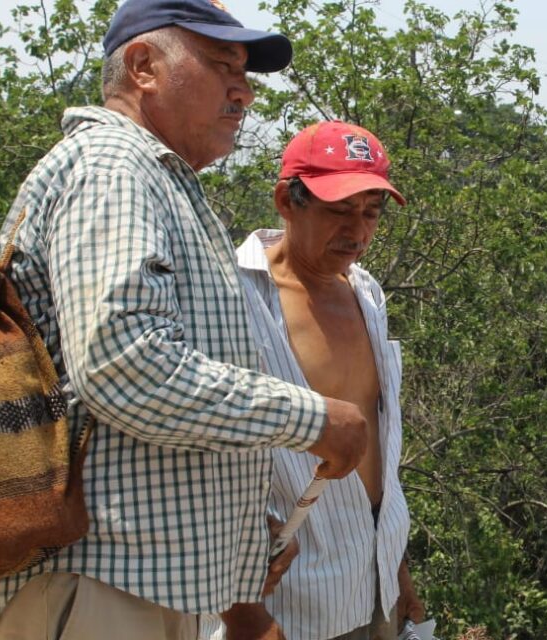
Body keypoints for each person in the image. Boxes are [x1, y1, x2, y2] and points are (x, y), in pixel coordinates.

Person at [0, 1, 370, 638]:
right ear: (143, 65)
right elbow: (128, 364)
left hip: (122, 582)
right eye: (222, 64)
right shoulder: (114, 168)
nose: (243, 90)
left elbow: (133, 430)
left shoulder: (153, 177)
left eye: (247, 74)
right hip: (92, 584)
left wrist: (230, 530)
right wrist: (315, 419)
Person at [203, 121, 424, 640]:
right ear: (287, 199)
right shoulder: (231, 296)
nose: (358, 231)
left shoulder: (367, 293)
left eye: (371, 212)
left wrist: (396, 570)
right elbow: (203, 458)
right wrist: (246, 617)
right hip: (289, 601)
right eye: (338, 210)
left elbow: (377, 450)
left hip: (373, 589)